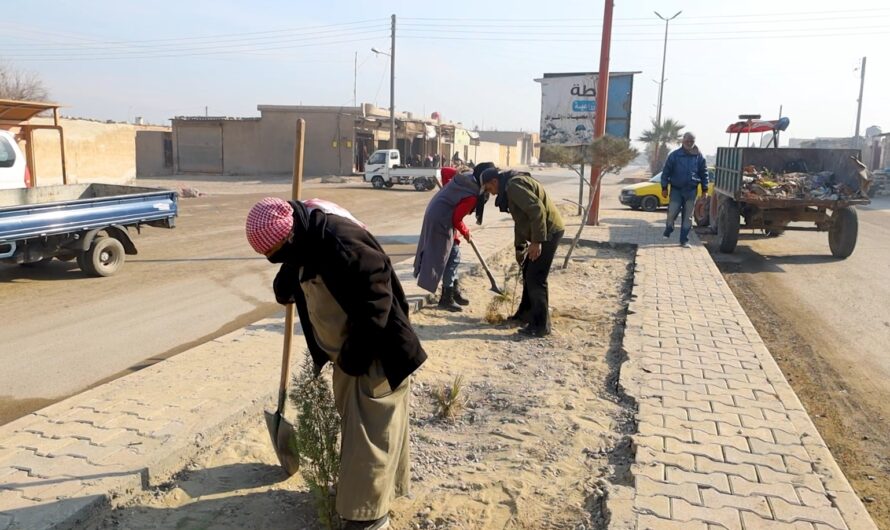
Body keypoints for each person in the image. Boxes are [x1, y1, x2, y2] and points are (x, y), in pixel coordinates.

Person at [246, 197, 426, 530]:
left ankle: (369, 518)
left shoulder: (341, 241)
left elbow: (378, 302)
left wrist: (352, 359)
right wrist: (285, 285)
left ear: (290, 237)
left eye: (280, 254)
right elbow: (295, 269)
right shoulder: (304, 235)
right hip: (348, 357)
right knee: (366, 433)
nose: (281, 261)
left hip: (374, 355)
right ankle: (370, 498)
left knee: (370, 437)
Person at [480, 168, 564, 337]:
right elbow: (520, 221)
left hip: (548, 233)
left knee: (536, 278)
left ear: (495, 181)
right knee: (528, 272)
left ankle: (540, 327)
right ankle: (525, 315)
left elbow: (536, 210)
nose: (492, 194)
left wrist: (536, 241)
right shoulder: (511, 186)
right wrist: (520, 249)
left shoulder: (513, 186)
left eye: (489, 188)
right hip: (542, 233)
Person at [413, 164, 489, 311]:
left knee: (453, 252)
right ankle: (446, 298)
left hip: (437, 211)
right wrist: (466, 232)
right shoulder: (473, 196)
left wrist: (449, 192)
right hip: (441, 218)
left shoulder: (467, 177)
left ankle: (454, 292)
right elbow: (456, 219)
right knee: (452, 256)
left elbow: (445, 171)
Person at [660, 132, 709, 248]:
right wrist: (664, 187)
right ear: (683, 140)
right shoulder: (674, 155)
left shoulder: (699, 157)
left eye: (692, 141)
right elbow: (666, 172)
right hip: (676, 190)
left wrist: (705, 189)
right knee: (672, 213)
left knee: (687, 217)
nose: (689, 143)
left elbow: (704, 173)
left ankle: (684, 240)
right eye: (687, 140)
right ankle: (669, 228)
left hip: (691, 191)